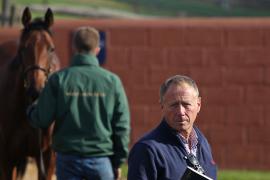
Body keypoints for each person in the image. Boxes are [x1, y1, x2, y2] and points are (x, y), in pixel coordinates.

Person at [27, 26, 130, 180]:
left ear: (74, 47)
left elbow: (42, 119)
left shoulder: (59, 79)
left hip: (68, 161)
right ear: (97, 49)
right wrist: (117, 162)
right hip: (101, 161)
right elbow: (122, 127)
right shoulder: (112, 82)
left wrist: (32, 108)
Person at [127, 75, 217, 180]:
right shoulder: (147, 150)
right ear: (162, 106)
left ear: (198, 105)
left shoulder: (202, 143)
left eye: (186, 104)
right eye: (174, 105)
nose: (180, 112)